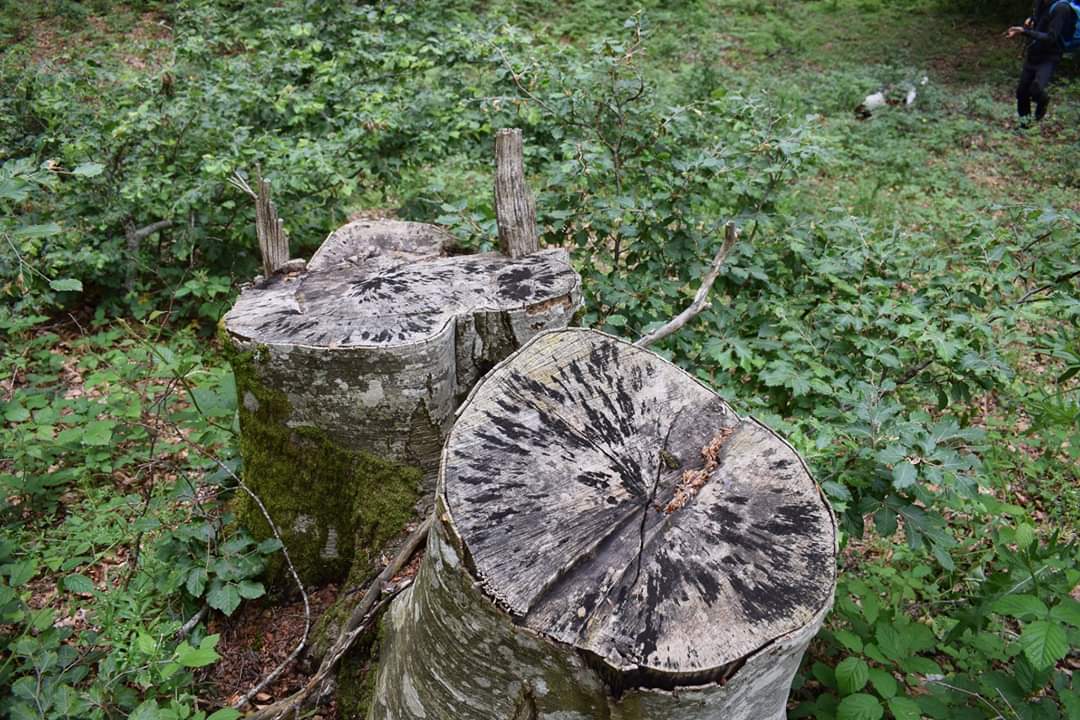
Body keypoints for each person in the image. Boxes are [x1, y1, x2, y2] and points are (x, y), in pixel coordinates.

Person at [1007, 0, 1077, 123]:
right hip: (1033, 53)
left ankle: (1043, 104)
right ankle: (1025, 125)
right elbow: (1041, 18)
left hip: (1049, 56)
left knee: (1036, 89)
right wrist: (1031, 19)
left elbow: (1051, 38)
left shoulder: (1061, 8)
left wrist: (1024, 32)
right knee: (1022, 92)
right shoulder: (1040, 2)